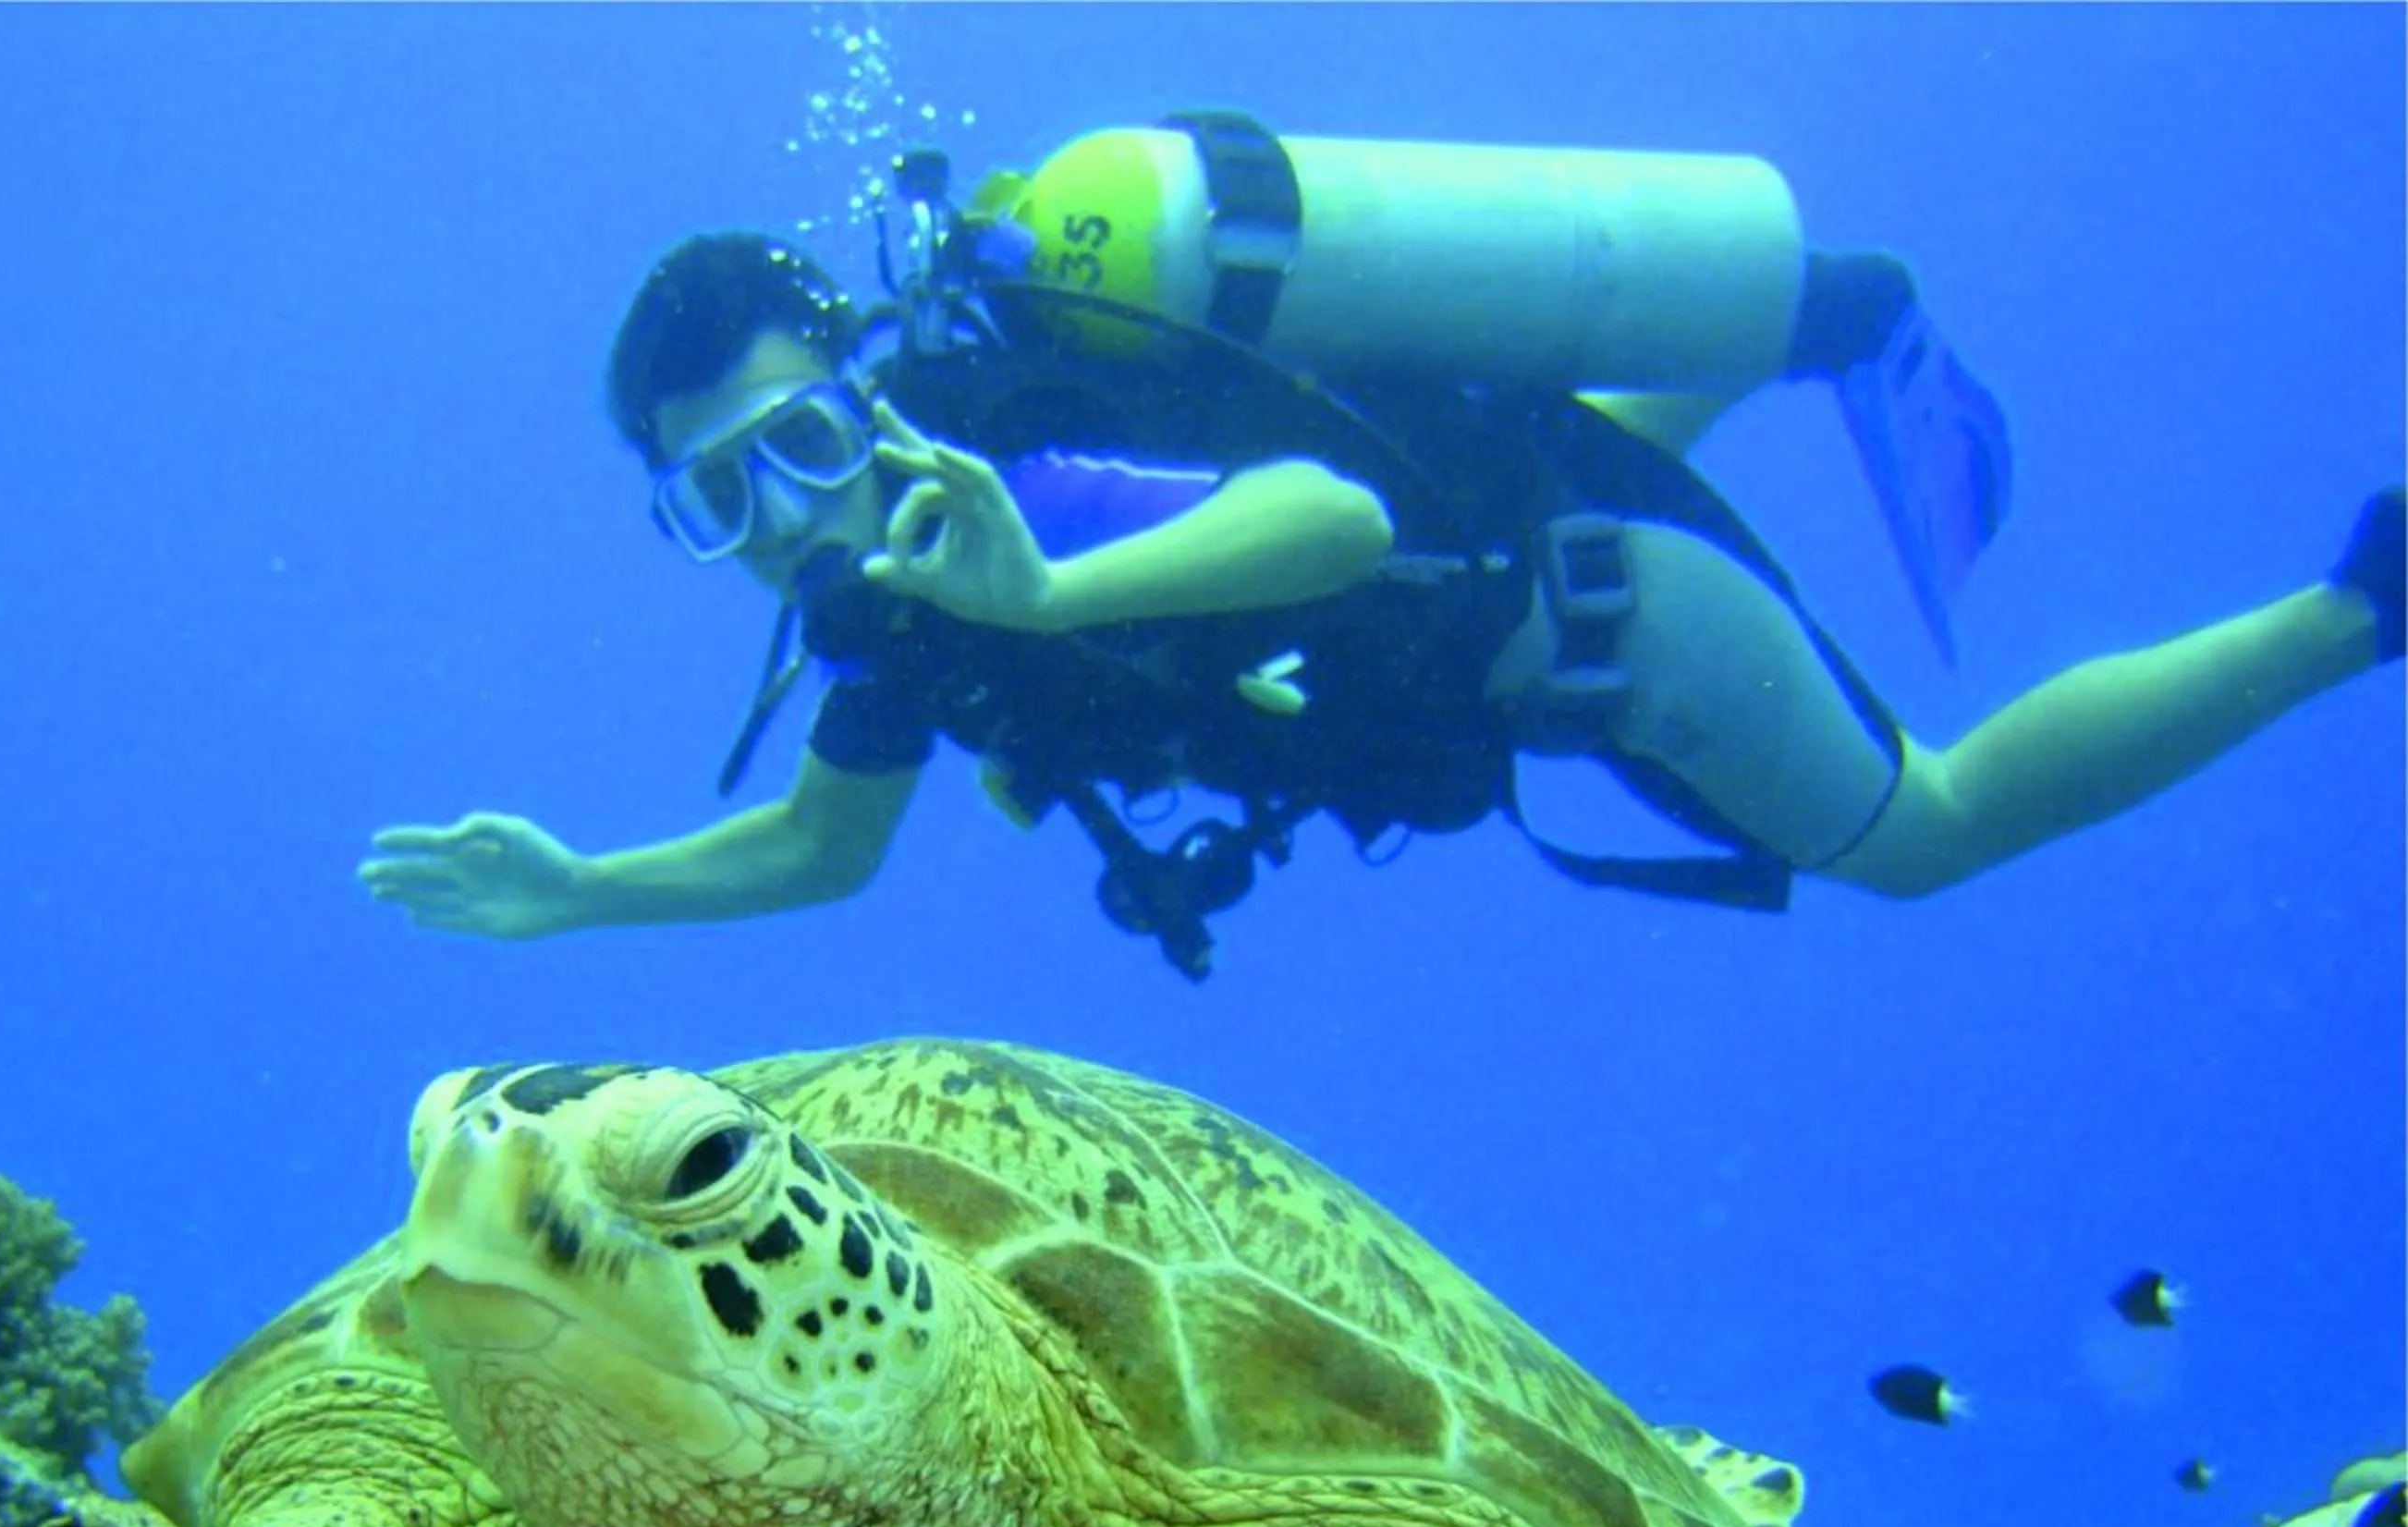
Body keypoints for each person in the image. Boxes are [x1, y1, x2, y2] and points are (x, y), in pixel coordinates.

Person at [360, 161, 2402, 980]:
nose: (792, 517)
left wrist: (1051, 591)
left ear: (875, 380)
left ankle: (2362, 606)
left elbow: (1338, 525)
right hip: (1464, 583)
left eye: (804, 443)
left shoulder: (1012, 463)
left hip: (1587, 604)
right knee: (1516, 447)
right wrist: (576, 895)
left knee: (1925, 834)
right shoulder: (874, 598)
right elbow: (821, 849)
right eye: (719, 500)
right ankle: (1780, 333)